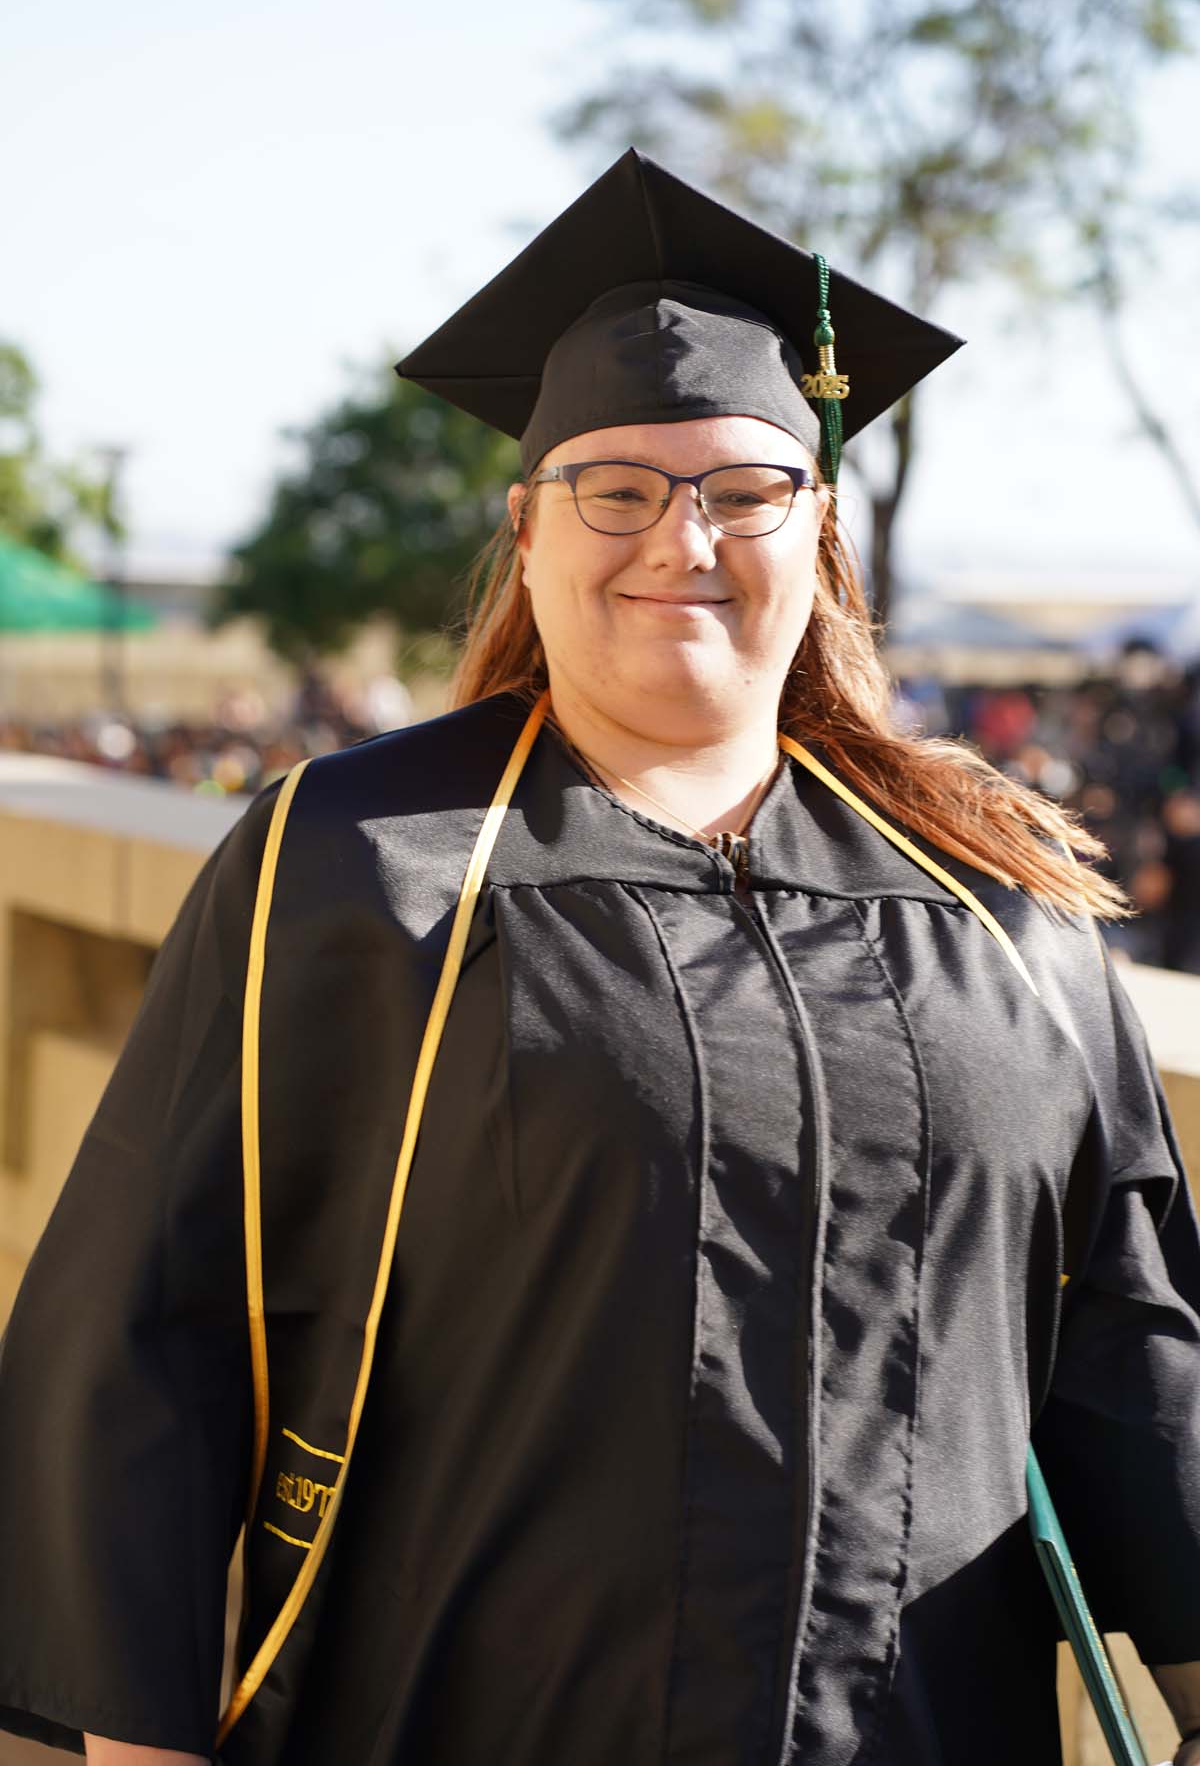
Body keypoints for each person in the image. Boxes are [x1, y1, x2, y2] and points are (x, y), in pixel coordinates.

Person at [1, 149, 1198, 1766]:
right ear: (528, 528)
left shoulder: (998, 911)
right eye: (615, 488)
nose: (680, 538)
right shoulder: (360, 865)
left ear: (820, 526)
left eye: (744, 489)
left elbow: (1135, 1347)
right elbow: (145, 1329)